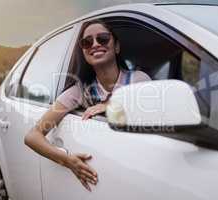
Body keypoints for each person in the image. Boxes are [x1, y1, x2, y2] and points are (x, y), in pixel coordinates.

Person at [24, 19, 151, 192]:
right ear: (83, 52)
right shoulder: (79, 91)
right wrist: (66, 160)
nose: (95, 44)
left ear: (117, 47)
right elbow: (33, 136)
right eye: (87, 42)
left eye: (103, 39)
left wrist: (111, 105)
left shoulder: (139, 79)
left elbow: (152, 115)